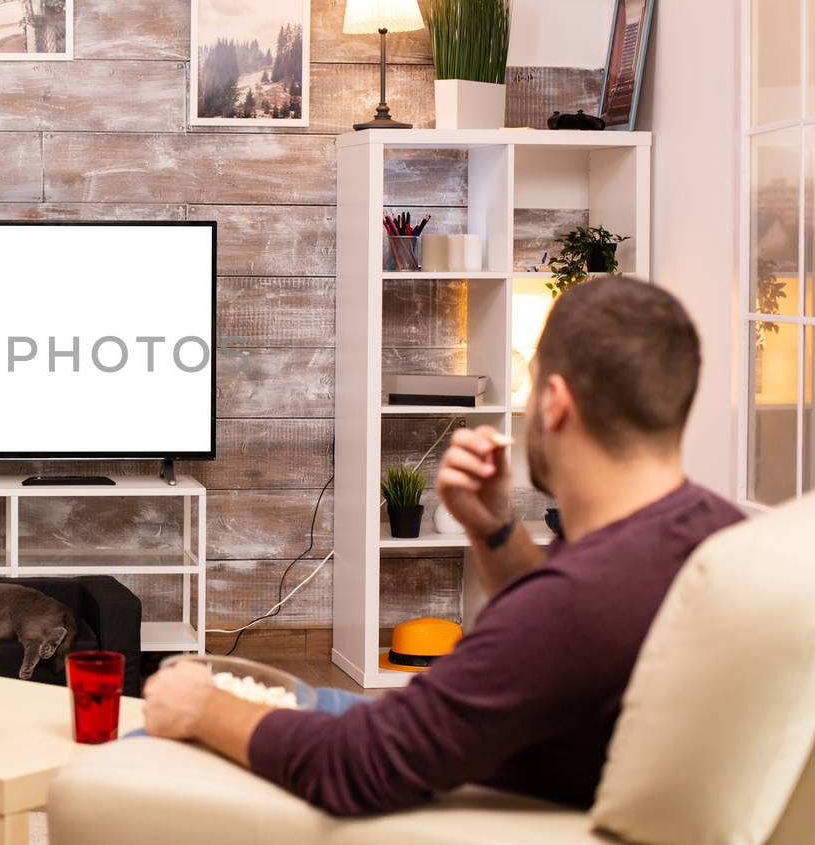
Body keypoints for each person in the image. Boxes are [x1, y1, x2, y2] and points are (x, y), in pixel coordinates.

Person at [144, 277, 744, 815]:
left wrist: (204, 708)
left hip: (460, 792)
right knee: (290, 699)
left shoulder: (578, 603)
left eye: (531, 387)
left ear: (556, 403)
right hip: (498, 749)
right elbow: (555, 629)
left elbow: (358, 768)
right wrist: (493, 530)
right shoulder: (716, 530)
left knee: (150, 740)